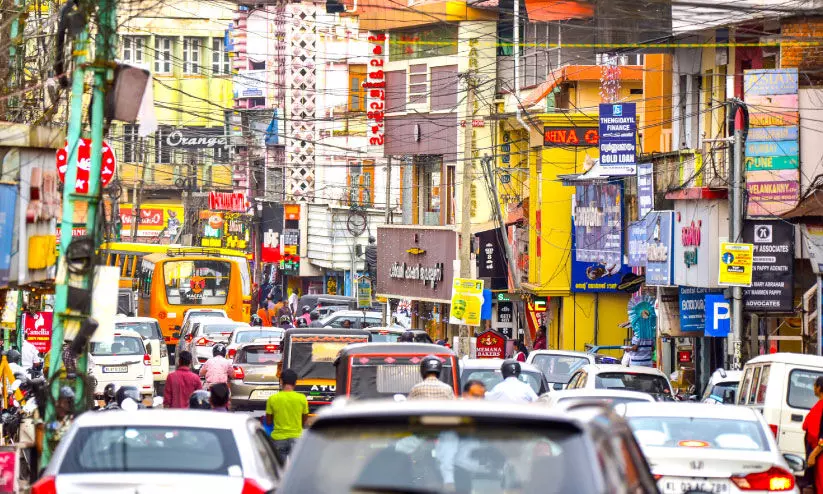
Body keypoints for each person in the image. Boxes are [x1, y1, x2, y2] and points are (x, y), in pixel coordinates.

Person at [265, 368, 309, 459]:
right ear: (295, 382)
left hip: (278, 438)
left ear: (281, 381)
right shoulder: (302, 398)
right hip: (297, 438)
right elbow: (304, 423)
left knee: (280, 469)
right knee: (296, 468)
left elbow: (269, 422)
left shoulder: (272, 399)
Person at [804, 376, 823, 493]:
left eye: (814, 385)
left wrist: (814, 454)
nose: (813, 388)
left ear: (819, 387)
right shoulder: (819, 405)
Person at [46, 386, 75, 453]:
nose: (62, 405)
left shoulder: (73, 419)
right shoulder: (52, 418)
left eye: (67, 402)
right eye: (60, 401)